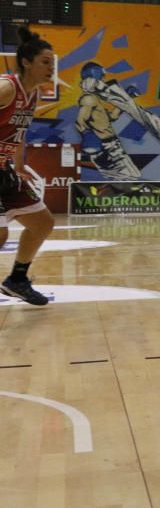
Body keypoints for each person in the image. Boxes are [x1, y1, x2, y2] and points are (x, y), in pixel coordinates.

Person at [0, 27, 57, 306]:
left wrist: (19, 166)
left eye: (53, 63)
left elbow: (18, 132)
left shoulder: (33, 95)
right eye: (45, 61)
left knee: (42, 223)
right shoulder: (7, 87)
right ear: (26, 62)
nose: (51, 67)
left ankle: (17, 280)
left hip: (3, 169)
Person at [76, 62, 143, 180]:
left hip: (111, 145)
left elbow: (112, 116)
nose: (103, 81)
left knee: (123, 178)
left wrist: (127, 98)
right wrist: (88, 137)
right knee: (130, 178)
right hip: (107, 146)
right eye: (101, 78)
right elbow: (80, 122)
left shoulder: (94, 99)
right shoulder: (89, 99)